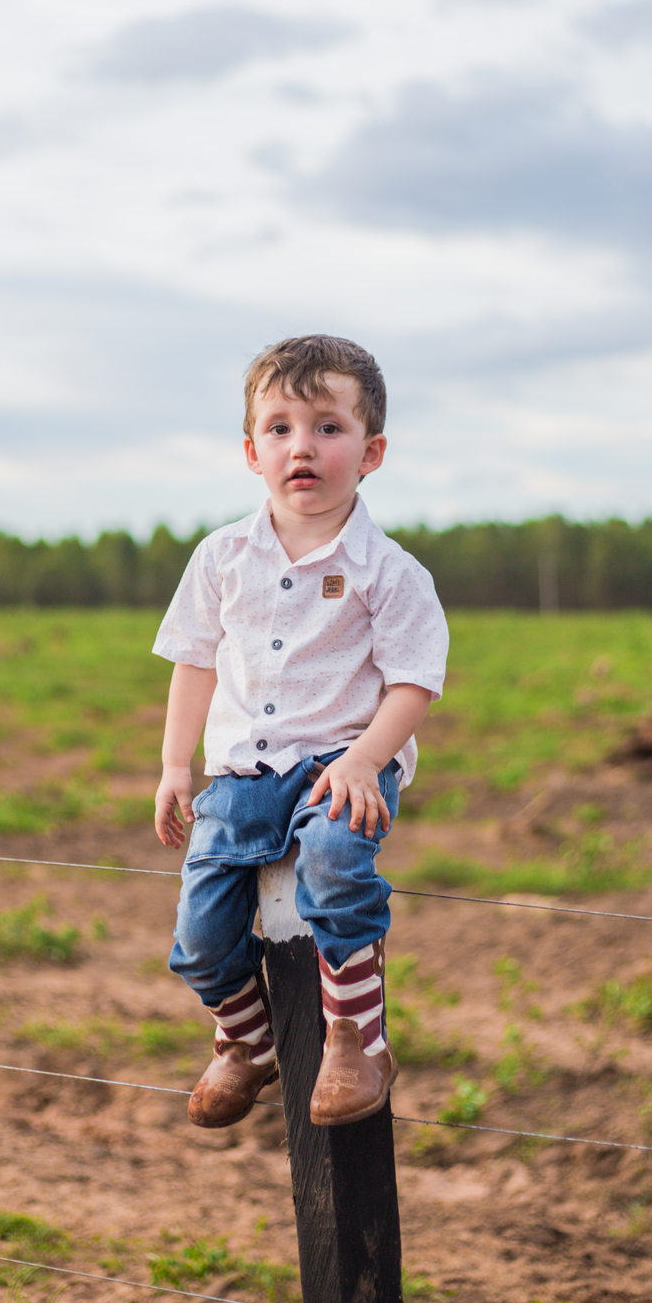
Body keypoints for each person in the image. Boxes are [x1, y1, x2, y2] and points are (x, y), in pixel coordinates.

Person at [152, 333, 448, 1130]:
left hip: (343, 762)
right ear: (252, 452)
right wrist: (176, 765)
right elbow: (194, 661)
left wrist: (366, 760)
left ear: (371, 450)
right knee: (200, 934)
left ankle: (357, 1041)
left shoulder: (391, 572)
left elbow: (414, 681)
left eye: (327, 427)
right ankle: (247, 1043)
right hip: (242, 773)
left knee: (333, 865)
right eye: (279, 428)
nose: (302, 447)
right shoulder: (221, 558)